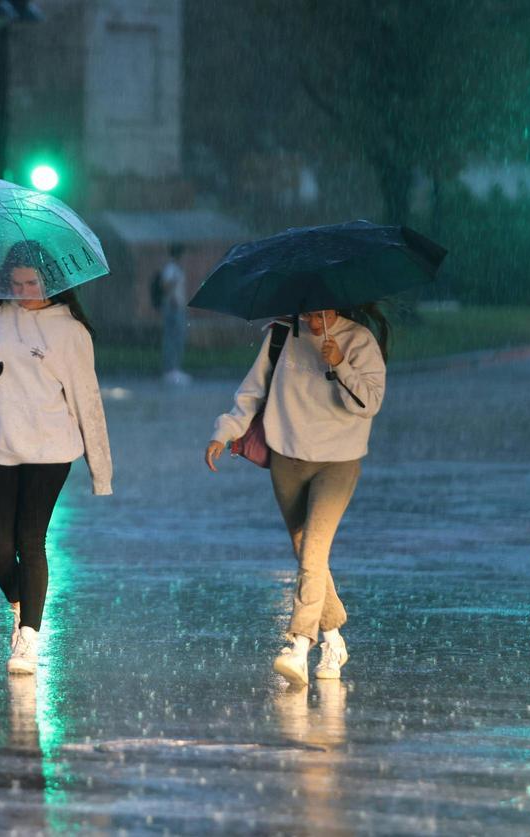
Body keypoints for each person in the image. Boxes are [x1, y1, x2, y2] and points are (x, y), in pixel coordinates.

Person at [204, 305, 388, 688]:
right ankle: (334, 641)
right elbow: (252, 391)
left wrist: (340, 364)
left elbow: (369, 403)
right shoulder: (281, 335)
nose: (313, 318)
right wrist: (224, 432)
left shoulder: (359, 340)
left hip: (339, 460)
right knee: (307, 550)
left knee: (314, 548)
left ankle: (299, 647)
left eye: (321, 311)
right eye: (307, 311)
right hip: (288, 456)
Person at [0, 241, 113, 675]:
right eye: (16, 283)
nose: (23, 291)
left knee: (30, 540)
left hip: (50, 452)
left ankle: (28, 639)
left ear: (51, 282)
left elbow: (87, 401)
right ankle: (20, 601)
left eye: (32, 283)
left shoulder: (69, 331)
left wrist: (101, 471)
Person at [160, 243, 191, 385]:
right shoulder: (171, 268)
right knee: (173, 338)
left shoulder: (175, 268)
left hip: (178, 307)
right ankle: (171, 371)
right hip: (173, 307)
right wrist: (172, 297)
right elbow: (165, 285)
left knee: (177, 338)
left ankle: (174, 369)